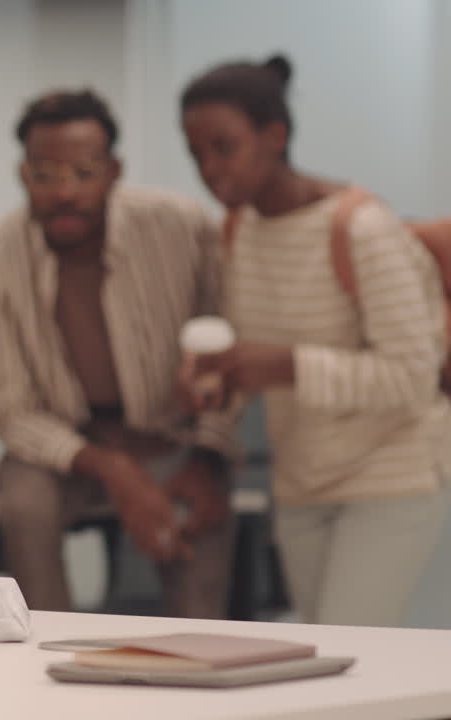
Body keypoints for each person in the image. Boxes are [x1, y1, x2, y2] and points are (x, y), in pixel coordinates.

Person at [180, 55, 450, 626]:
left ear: (275, 136)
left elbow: (413, 374)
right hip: (302, 481)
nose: (209, 168)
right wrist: (221, 383)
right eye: (196, 152)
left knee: (352, 646)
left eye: (224, 148)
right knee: (328, 650)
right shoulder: (240, 230)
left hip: (392, 473)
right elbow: (257, 358)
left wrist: (287, 367)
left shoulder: (362, 228)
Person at [0, 90, 237, 617]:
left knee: (200, 538)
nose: (64, 192)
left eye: (84, 173)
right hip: (63, 447)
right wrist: (116, 471)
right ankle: (36, 648)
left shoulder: (184, 228)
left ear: (113, 171)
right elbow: (8, 408)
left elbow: (229, 352)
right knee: (24, 505)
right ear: (23, 175)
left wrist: (210, 454)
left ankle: (203, 645)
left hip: (172, 436)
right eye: (45, 175)